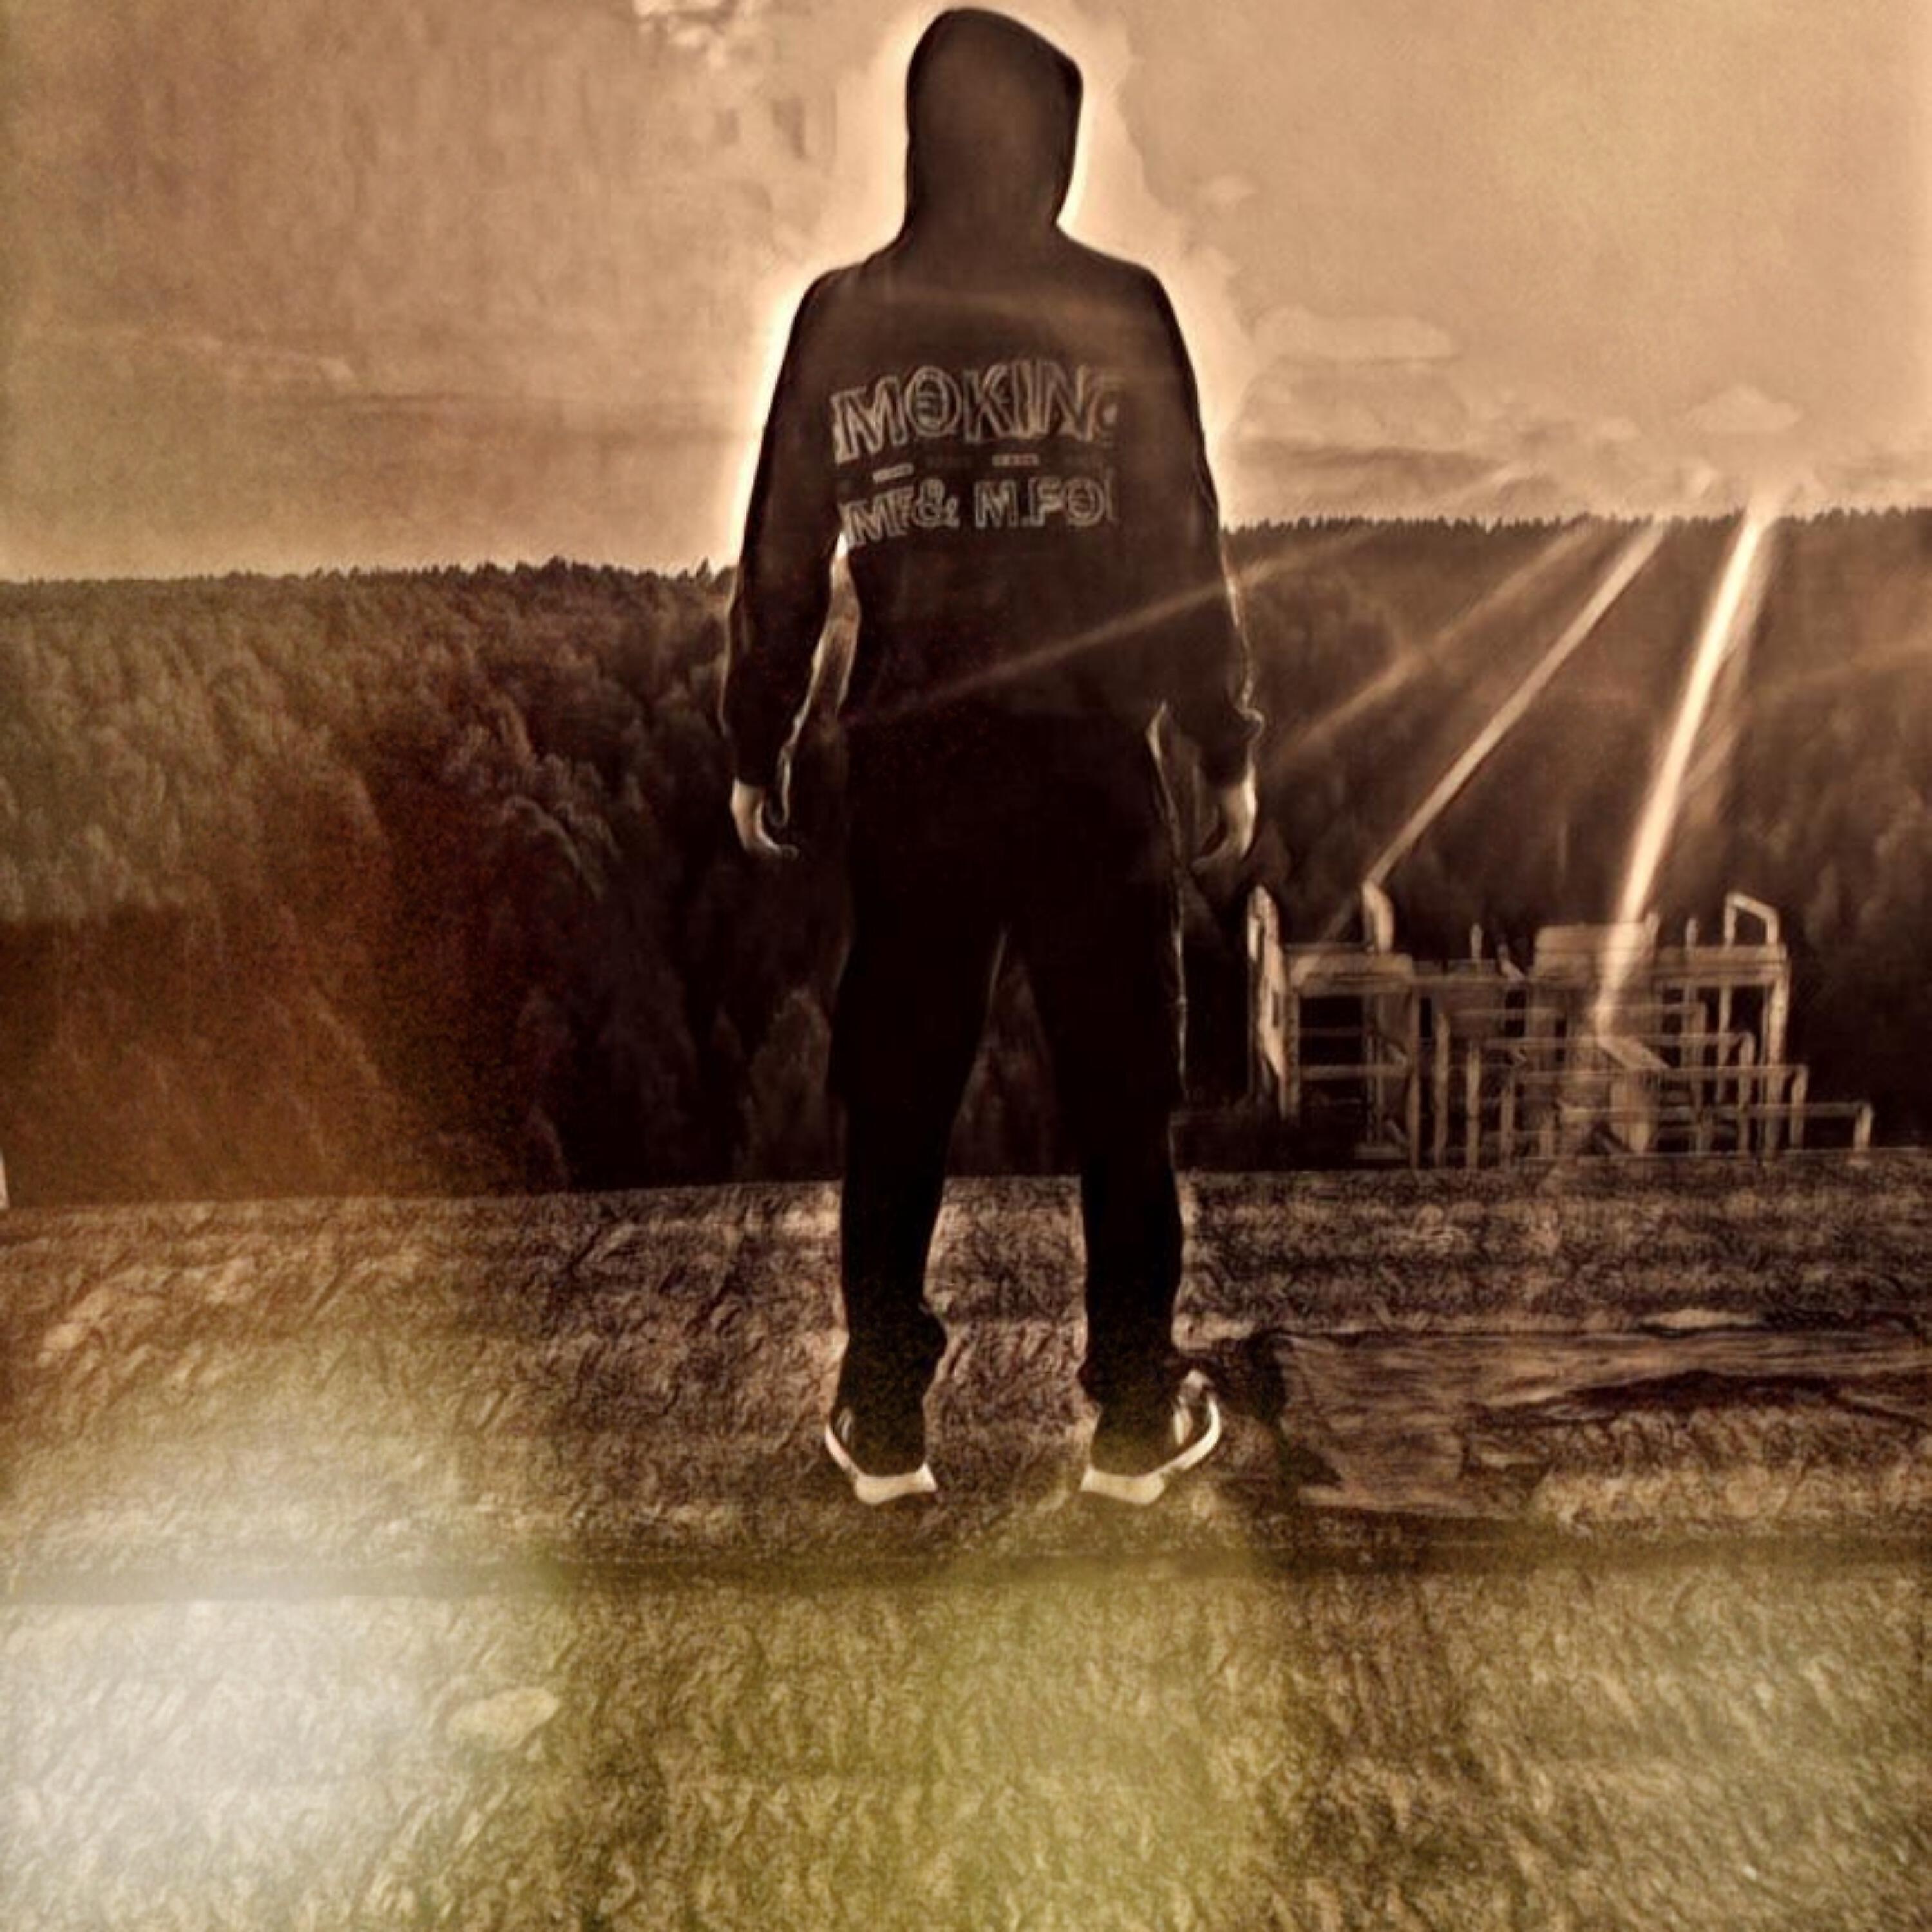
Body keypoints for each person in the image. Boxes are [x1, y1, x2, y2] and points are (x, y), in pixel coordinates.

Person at [721, 7, 1261, 1506]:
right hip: (1089, 764)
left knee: (898, 1093)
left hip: (916, 768)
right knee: (1121, 1094)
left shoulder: (841, 317)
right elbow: (1182, 547)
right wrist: (1222, 740)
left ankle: (884, 1418)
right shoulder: (1120, 307)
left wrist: (759, 737)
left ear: (922, 138)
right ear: (1053, 144)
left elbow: (782, 550)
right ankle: (1134, 1419)